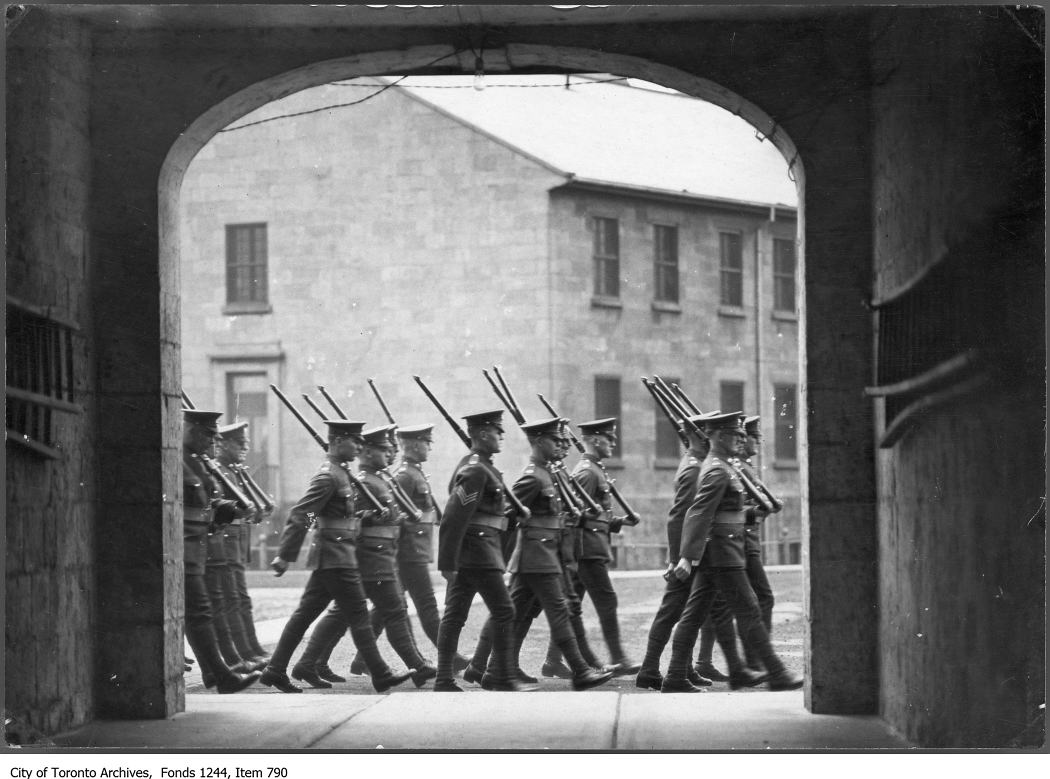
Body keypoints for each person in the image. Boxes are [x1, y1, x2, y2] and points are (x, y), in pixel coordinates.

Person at [258, 419, 413, 694]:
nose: (359, 446)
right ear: (339, 441)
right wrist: (285, 554)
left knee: (305, 615)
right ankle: (381, 674)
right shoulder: (329, 476)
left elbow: (339, 514)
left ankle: (274, 670)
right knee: (358, 616)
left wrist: (366, 516)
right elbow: (304, 514)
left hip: (335, 557)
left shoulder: (341, 473)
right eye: (355, 441)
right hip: (335, 557)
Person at [661, 412, 802, 692]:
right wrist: (686, 557)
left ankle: (692, 674)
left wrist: (752, 514)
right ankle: (776, 673)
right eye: (736, 435)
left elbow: (727, 511)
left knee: (696, 613)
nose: (741, 439)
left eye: (741, 435)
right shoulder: (716, 469)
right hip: (722, 553)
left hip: (724, 551)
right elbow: (698, 512)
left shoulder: (724, 466)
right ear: (719, 437)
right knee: (750, 609)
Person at [291, 425, 436, 688]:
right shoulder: (356, 481)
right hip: (363, 556)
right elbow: (318, 514)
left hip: (379, 554)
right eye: (384, 448)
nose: (391, 452)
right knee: (385, 609)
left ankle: (308, 663)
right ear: (367, 452)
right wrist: (320, 526)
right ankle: (415, 666)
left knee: (348, 613)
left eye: (391, 447)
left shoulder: (379, 479)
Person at [493, 417, 614, 691]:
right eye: (554, 440)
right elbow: (506, 516)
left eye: (562, 440)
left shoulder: (547, 473)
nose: (561, 444)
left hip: (546, 553)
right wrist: (502, 557)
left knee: (515, 613)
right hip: (536, 555)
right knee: (558, 610)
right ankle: (581, 671)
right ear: (537, 442)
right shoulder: (532, 476)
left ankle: (493, 670)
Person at [342, 425, 469, 676]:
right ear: (412, 446)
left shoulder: (412, 474)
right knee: (423, 605)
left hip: (413, 549)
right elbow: (394, 515)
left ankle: (360, 660)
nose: (430, 448)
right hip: (405, 551)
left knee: (387, 607)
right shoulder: (402, 476)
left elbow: (418, 512)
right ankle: (448, 656)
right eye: (426, 443)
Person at [635, 412, 736, 691]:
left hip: (694, 554)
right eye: (706, 433)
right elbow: (679, 516)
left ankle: (676, 668)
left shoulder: (698, 465)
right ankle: (650, 669)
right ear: (698, 435)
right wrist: (679, 559)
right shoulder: (693, 469)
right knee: (674, 611)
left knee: (687, 611)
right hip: (688, 557)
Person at [433, 409, 523, 692]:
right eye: (498, 432)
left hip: (478, 552)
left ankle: (444, 679)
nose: (501, 437)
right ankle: (502, 676)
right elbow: (453, 516)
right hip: (478, 553)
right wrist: (446, 563)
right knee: (505, 611)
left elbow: (488, 513)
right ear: (483, 434)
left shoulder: (481, 466)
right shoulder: (474, 469)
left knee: (455, 615)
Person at [181, 409, 260, 693]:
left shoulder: (198, 463)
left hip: (197, 548)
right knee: (200, 610)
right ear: (190, 431)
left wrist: (230, 509)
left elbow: (208, 505)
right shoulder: (176, 461)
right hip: (183, 547)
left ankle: (216, 674)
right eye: (208, 434)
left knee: (198, 611)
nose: (213, 441)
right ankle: (220, 674)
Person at [567, 418, 641, 676]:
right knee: (606, 600)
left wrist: (620, 521)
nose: (613, 443)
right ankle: (618, 658)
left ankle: (559, 660)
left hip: (592, 547)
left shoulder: (594, 469)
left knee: (570, 605)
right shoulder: (587, 472)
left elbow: (595, 514)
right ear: (596, 440)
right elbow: (574, 514)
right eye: (609, 439)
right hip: (587, 550)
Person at [209, 422, 273, 674]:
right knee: (231, 598)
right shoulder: (218, 470)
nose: (246, 448)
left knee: (240, 598)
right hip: (224, 540)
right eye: (240, 443)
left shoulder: (233, 471)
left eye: (247, 443)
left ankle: (251, 648)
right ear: (223, 444)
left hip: (236, 539)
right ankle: (243, 651)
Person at [734, 415, 779, 672]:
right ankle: (755, 659)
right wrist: (761, 510)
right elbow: (735, 510)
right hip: (742, 541)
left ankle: (753, 659)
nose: (758, 443)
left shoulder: (745, 467)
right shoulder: (738, 468)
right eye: (755, 438)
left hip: (747, 540)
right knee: (762, 598)